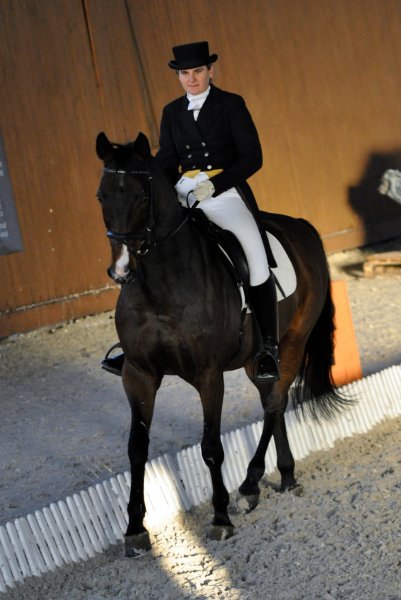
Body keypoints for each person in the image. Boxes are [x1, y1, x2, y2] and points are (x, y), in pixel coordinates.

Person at [102, 41, 279, 382]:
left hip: (224, 193)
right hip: (184, 191)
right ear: (179, 76)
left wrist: (216, 184)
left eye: (198, 71)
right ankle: (134, 345)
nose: (192, 79)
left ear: (210, 71)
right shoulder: (172, 111)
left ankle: (268, 347)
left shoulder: (230, 104)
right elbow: (169, 161)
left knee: (255, 257)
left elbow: (252, 157)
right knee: (148, 245)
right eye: (185, 73)